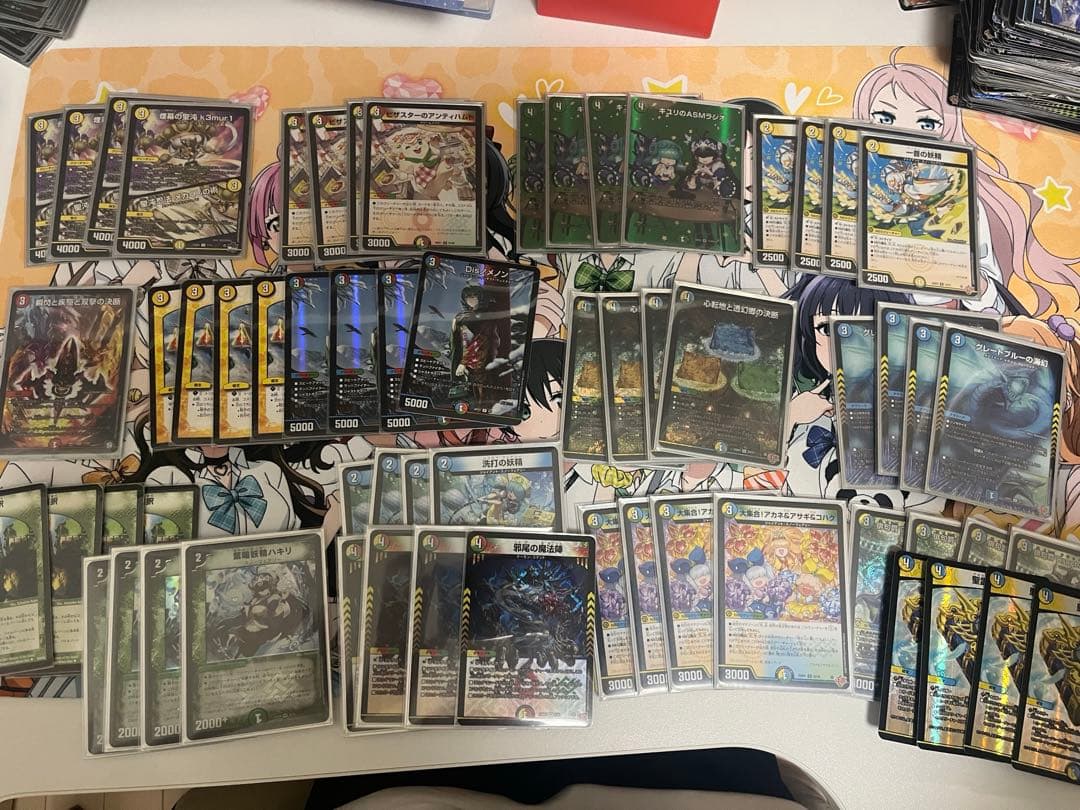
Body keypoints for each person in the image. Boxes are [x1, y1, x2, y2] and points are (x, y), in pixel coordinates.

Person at [854, 51, 1080, 315]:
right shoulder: (847, 191)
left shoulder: (961, 202)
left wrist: (967, 280)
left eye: (927, 123)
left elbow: (992, 302)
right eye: (884, 119)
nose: (905, 133)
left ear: (948, 130)